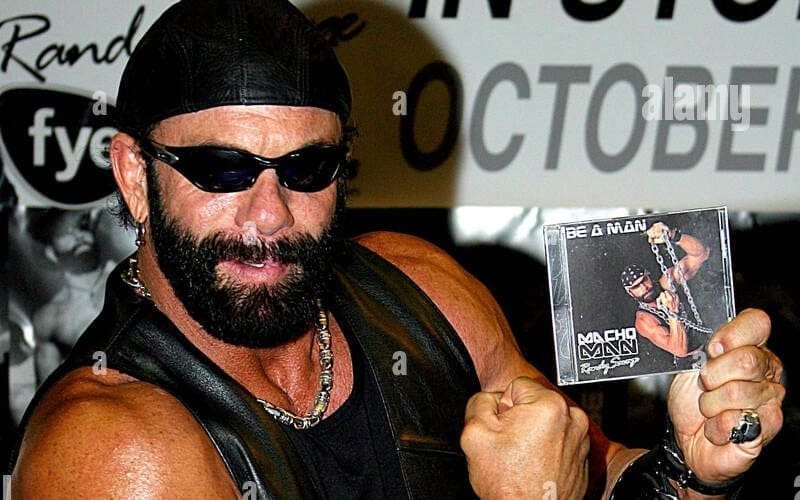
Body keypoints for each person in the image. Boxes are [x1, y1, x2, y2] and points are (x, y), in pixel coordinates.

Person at [9, 0, 784, 498]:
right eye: (222, 169)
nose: (269, 212)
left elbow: (588, 470)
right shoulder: (114, 451)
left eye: (306, 168)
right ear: (134, 176)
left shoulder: (420, 288)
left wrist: (689, 469)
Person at [620, 221, 711, 359]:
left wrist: (672, 235)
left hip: (710, 341)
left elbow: (701, 254)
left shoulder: (667, 282)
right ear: (630, 292)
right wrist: (673, 312)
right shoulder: (644, 320)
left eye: (644, 280)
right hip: (691, 360)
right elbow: (679, 350)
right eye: (636, 287)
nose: (644, 287)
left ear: (649, 276)